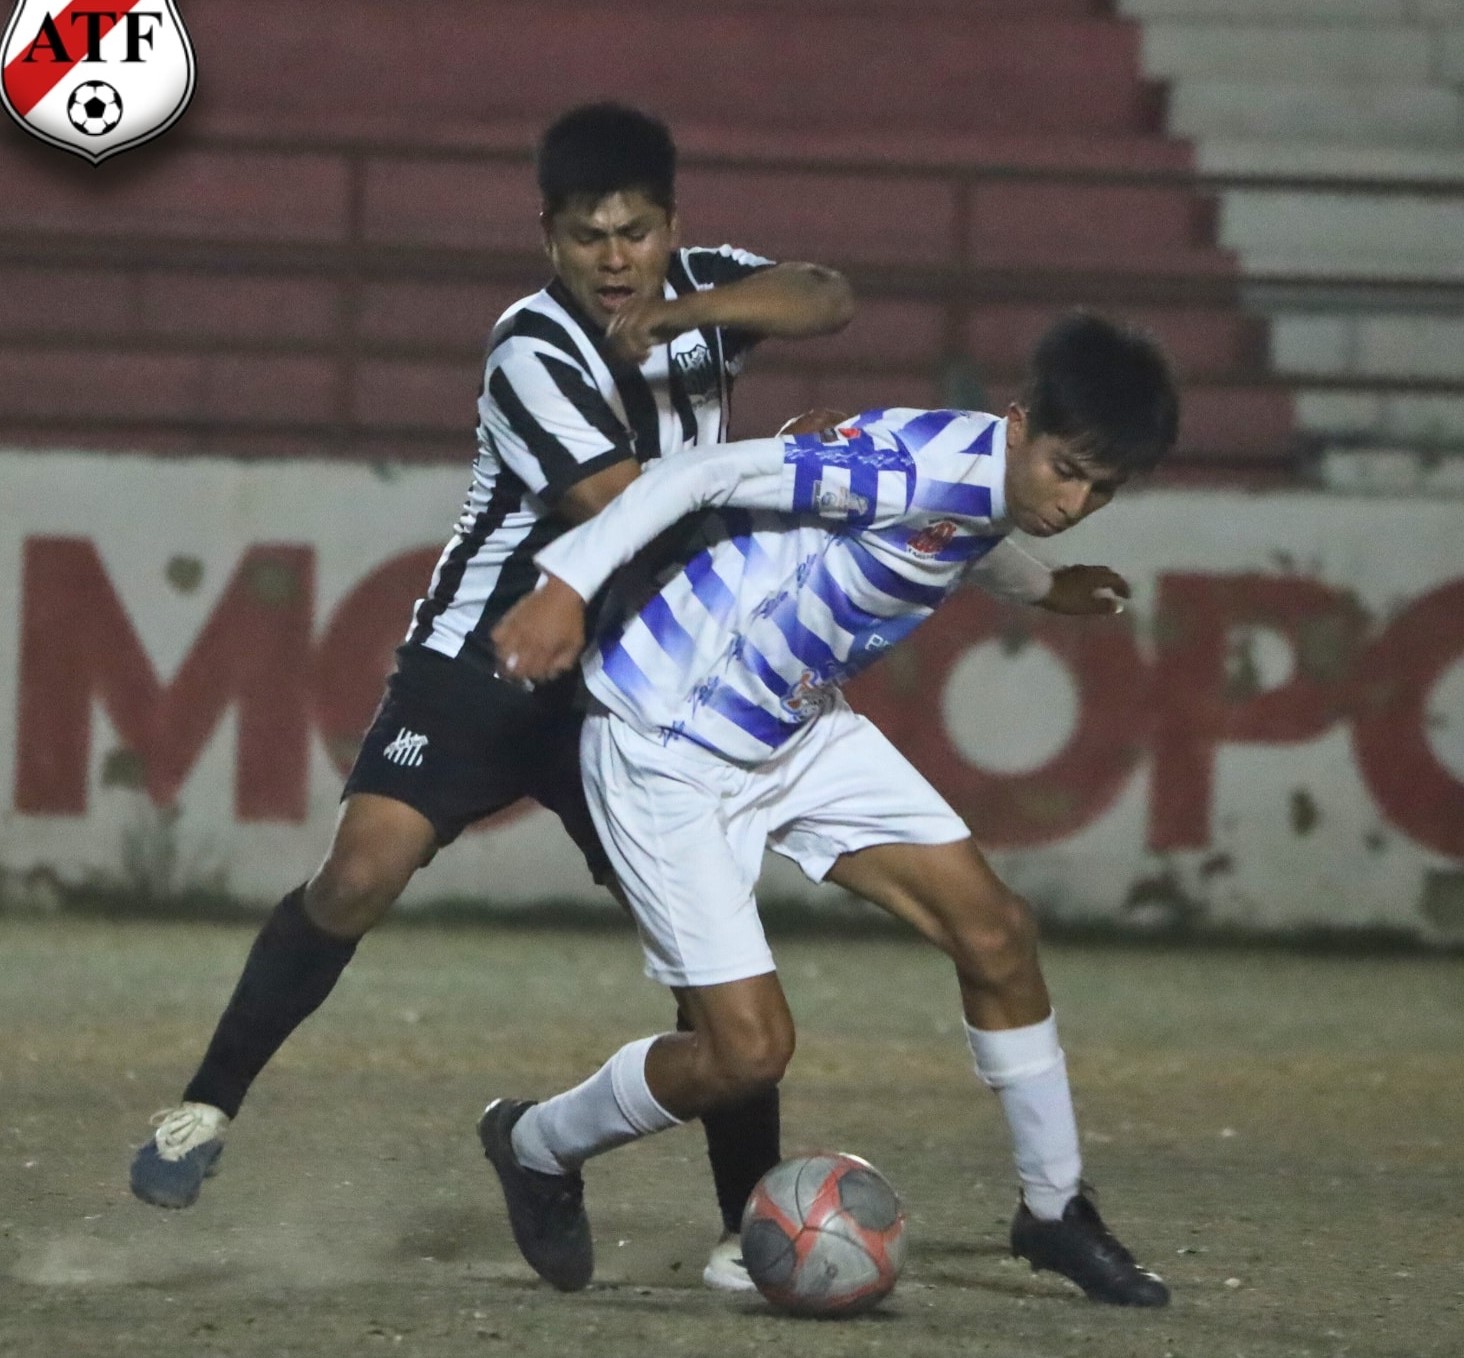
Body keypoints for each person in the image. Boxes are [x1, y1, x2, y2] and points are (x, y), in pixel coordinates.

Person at [128, 101, 855, 1292]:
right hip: (486, 661)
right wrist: (789, 482)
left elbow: (826, 293)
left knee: (705, 958)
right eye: (586, 237)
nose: (613, 258)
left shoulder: (694, 291)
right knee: (356, 873)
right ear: (547, 238)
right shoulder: (530, 346)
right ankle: (203, 1107)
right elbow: (625, 509)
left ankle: (744, 1224)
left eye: (634, 233)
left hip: (628, 686)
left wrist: (694, 310)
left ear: (672, 227)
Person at [478, 311, 1179, 1305]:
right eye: (1067, 470)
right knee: (746, 1051)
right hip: (665, 740)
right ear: (1019, 423)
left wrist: (1045, 586)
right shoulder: (899, 465)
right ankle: (536, 1141)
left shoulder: (988, 472)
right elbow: (699, 477)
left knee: (995, 930)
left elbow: (964, 532)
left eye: (1101, 489)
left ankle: (1055, 1208)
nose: (1075, 500)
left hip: (795, 729)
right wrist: (566, 585)